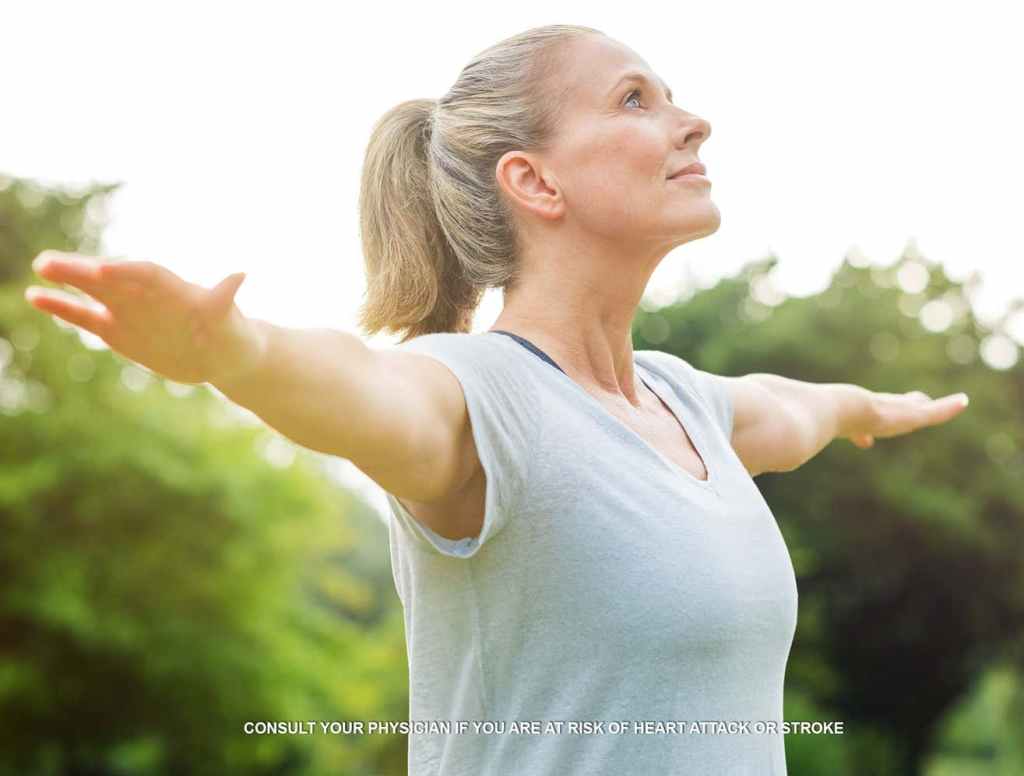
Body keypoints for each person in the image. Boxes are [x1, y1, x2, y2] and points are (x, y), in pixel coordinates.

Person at [25, 24, 970, 776]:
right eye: (636, 99)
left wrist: (876, 409)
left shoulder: (692, 405)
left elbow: (801, 408)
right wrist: (239, 351)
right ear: (533, 180)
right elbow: (362, 386)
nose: (693, 122)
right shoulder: (482, 398)